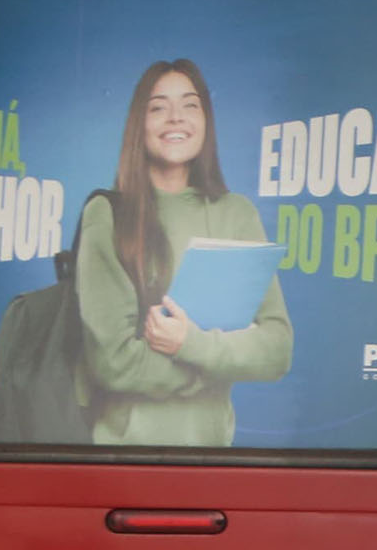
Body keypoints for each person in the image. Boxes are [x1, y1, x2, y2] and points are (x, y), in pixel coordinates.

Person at [78, 58, 292, 446]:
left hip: (213, 459)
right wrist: (221, 360)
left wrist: (188, 344)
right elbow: (114, 364)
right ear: (137, 125)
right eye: (158, 107)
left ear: (206, 120)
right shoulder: (107, 214)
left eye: (190, 105)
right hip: (122, 460)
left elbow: (277, 349)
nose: (176, 118)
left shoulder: (237, 214)